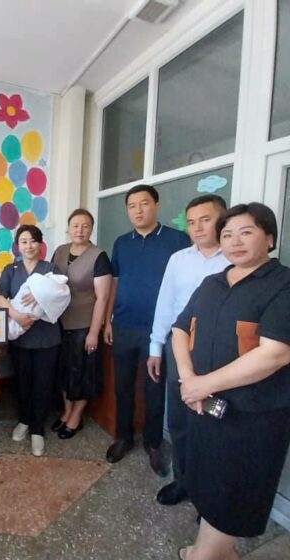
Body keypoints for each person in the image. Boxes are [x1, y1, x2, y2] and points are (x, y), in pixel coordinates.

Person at [173, 203, 290, 560]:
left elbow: (275, 353)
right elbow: (180, 329)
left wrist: (203, 384)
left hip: (252, 417)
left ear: (269, 238)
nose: (234, 242)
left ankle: (203, 555)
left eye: (246, 232)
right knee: (210, 484)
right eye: (227, 234)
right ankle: (216, 552)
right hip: (206, 408)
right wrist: (189, 379)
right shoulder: (212, 283)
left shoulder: (283, 284)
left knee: (234, 493)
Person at [147, 195, 229, 506]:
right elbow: (165, 303)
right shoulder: (179, 259)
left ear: (222, 219)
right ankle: (182, 480)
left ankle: (211, 492)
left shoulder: (234, 258)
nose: (197, 227)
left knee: (215, 420)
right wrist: (155, 346)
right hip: (179, 345)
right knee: (180, 418)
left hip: (221, 350)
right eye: (191, 222)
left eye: (205, 220)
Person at [104, 184, 190, 475]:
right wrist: (108, 320)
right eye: (132, 206)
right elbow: (114, 283)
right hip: (124, 325)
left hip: (160, 330)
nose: (138, 210)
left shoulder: (177, 240)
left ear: (156, 205)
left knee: (154, 389)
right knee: (123, 386)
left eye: (144, 204)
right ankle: (123, 437)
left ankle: (153, 443)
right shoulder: (121, 243)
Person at [0, 225, 62, 457]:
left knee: (43, 383)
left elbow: (60, 297)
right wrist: (15, 314)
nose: (29, 246)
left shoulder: (50, 269)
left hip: (46, 338)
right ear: (17, 245)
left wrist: (39, 299)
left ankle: (37, 429)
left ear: (40, 244)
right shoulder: (11, 269)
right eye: (24, 241)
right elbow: (0, 296)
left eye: (33, 241)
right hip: (20, 338)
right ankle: (24, 419)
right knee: (22, 382)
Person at [52, 208, 112, 438]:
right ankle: (67, 412)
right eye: (75, 225)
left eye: (85, 226)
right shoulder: (60, 251)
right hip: (59, 322)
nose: (80, 230)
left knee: (82, 373)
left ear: (91, 229)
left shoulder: (99, 256)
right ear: (68, 228)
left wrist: (94, 332)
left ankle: (76, 416)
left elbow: (102, 298)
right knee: (64, 371)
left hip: (84, 325)